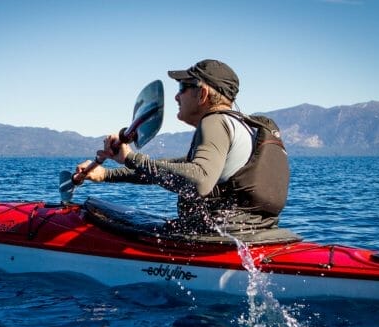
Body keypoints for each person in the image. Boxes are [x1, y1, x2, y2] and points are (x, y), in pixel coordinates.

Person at [76, 59, 289, 236]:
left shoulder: (214, 122)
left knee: (96, 216)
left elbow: (199, 182)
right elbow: (171, 170)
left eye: (183, 87)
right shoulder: (241, 126)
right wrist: (106, 174)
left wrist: (131, 158)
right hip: (252, 233)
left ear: (203, 94)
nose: (177, 96)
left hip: (216, 239)